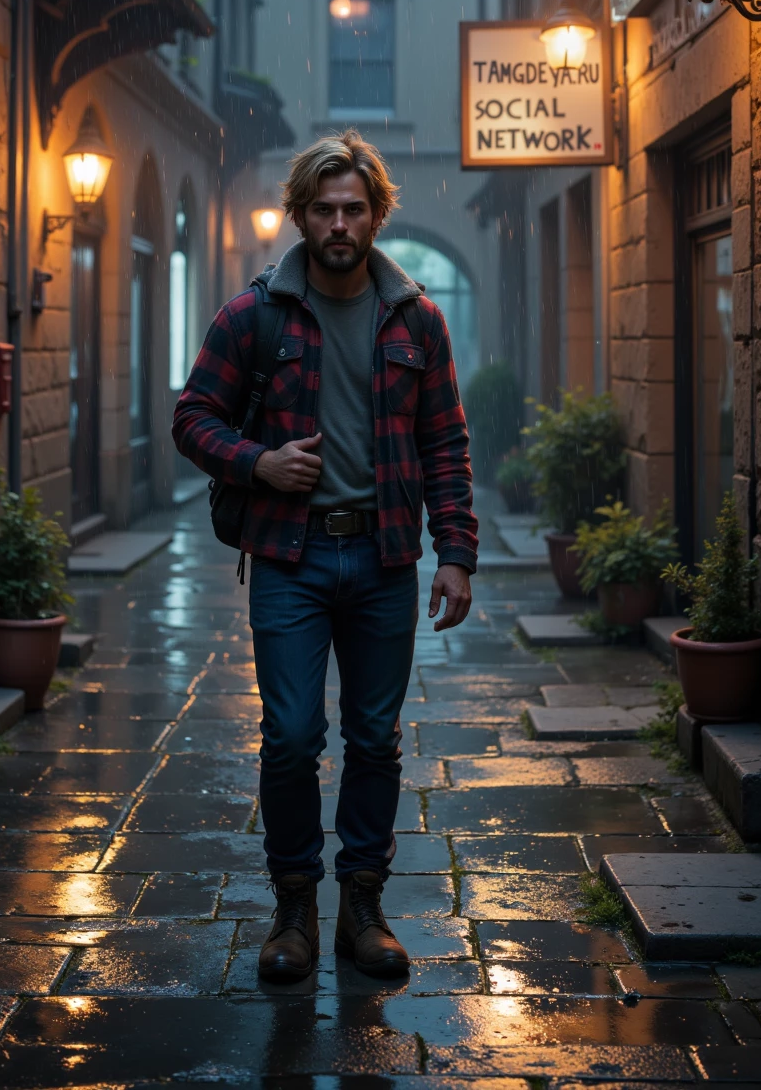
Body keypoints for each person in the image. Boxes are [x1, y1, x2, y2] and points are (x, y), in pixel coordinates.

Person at [172, 130, 477, 982]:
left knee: (375, 740)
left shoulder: (418, 317)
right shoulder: (255, 313)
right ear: (300, 215)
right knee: (293, 737)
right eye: (324, 209)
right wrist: (257, 462)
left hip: (384, 561)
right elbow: (192, 416)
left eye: (354, 208)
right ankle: (294, 909)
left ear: (377, 213)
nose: (339, 223)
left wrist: (455, 552)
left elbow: (445, 441)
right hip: (289, 560)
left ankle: (364, 907)